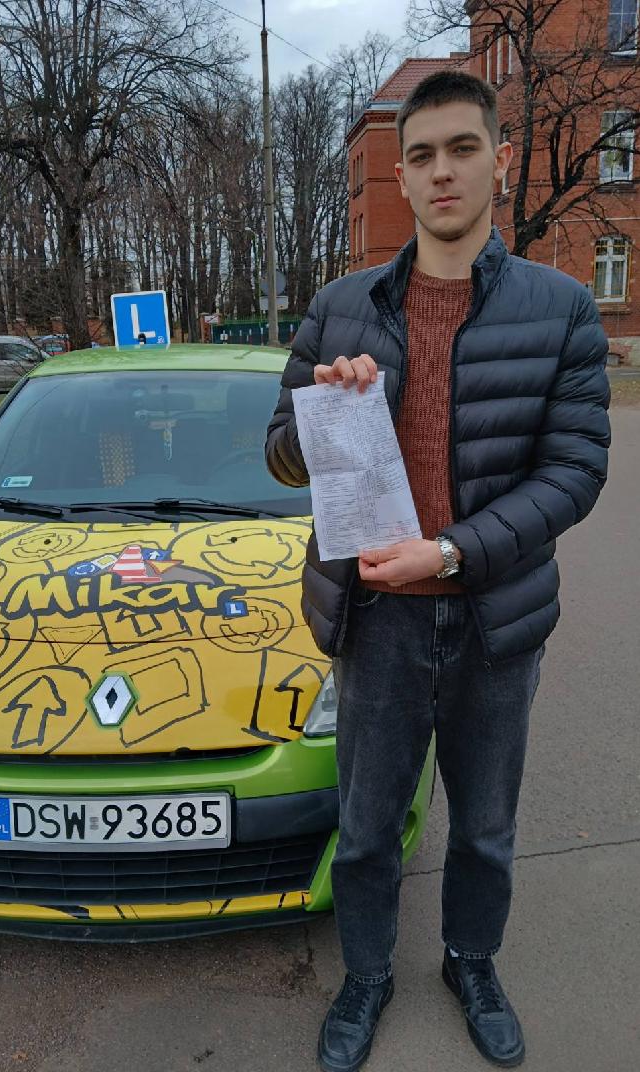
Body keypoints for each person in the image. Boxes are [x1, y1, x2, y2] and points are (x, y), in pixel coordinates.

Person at [265, 70, 610, 1072]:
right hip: (378, 623)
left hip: (494, 622)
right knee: (367, 827)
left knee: (486, 825)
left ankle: (471, 961)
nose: (441, 171)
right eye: (421, 155)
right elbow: (279, 458)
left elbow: (575, 471)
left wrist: (451, 549)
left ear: (501, 162)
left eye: (462, 148)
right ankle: (366, 973)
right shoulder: (341, 308)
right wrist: (324, 413)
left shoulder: (561, 309)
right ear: (402, 178)